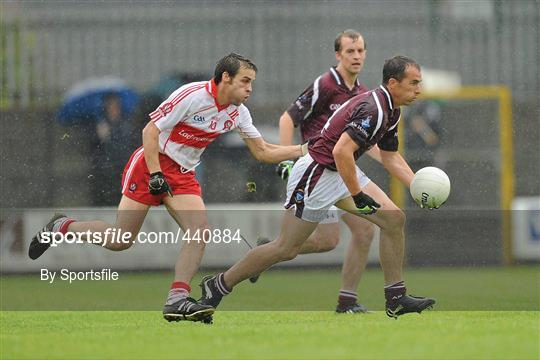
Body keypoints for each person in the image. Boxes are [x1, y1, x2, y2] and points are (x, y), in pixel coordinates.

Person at [28, 53, 307, 323]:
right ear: (226, 77)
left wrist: (304, 149)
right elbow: (150, 131)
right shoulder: (192, 95)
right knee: (120, 240)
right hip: (151, 163)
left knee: (199, 232)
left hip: (183, 174)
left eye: (252, 82)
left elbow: (262, 151)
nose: (250, 88)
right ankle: (62, 227)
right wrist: (156, 173)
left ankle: (177, 297)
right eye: (245, 81)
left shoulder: (238, 113)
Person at [199, 55, 436, 319]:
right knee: (285, 248)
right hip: (316, 174)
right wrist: (357, 195)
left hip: (338, 171)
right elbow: (341, 151)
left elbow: (390, 156)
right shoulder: (374, 108)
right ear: (393, 83)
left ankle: (396, 298)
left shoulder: (392, 110)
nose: (419, 89)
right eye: (414, 83)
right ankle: (218, 285)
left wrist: (418, 186)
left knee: (393, 219)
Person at [272, 29, 381, 313]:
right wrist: (286, 159)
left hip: (340, 171)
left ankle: (347, 301)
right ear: (338, 55)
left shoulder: (361, 93)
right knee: (326, 241)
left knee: (359, 232)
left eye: (360, 51)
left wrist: (395, 165)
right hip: (318, 170)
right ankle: (268, 251)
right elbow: (287, 118)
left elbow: (364, 142)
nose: (356, 56)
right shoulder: (326, 84)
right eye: (349, 51)